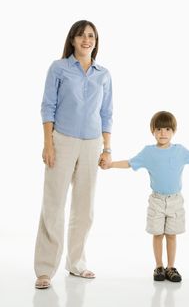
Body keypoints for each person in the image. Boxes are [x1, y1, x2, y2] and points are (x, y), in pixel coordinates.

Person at [34, 20, 113, 289]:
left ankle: (76, 263)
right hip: (62, 140)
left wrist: (107, 148)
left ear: (96, 41)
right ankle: (45, 269)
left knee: (84, 208)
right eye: (81, 36)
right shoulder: (59, 68)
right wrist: (48, 143)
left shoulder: (103, 74)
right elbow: (48, 106)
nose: (86, 40)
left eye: (91, 36)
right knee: (53, 204)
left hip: (92, 144)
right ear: (72, 40)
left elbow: (107, 114)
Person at [100, 111, 189, 282]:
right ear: (152, 131)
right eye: (159, 129)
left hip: (175, 200)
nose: (163, 133)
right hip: (157, 201)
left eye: (167, 129)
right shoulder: (148, 152)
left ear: (173, 131)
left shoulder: (179, 151)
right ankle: (159, 267)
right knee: (157, 234)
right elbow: (130, 163)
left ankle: (171, 268)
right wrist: (111, 165)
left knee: (172, 235)